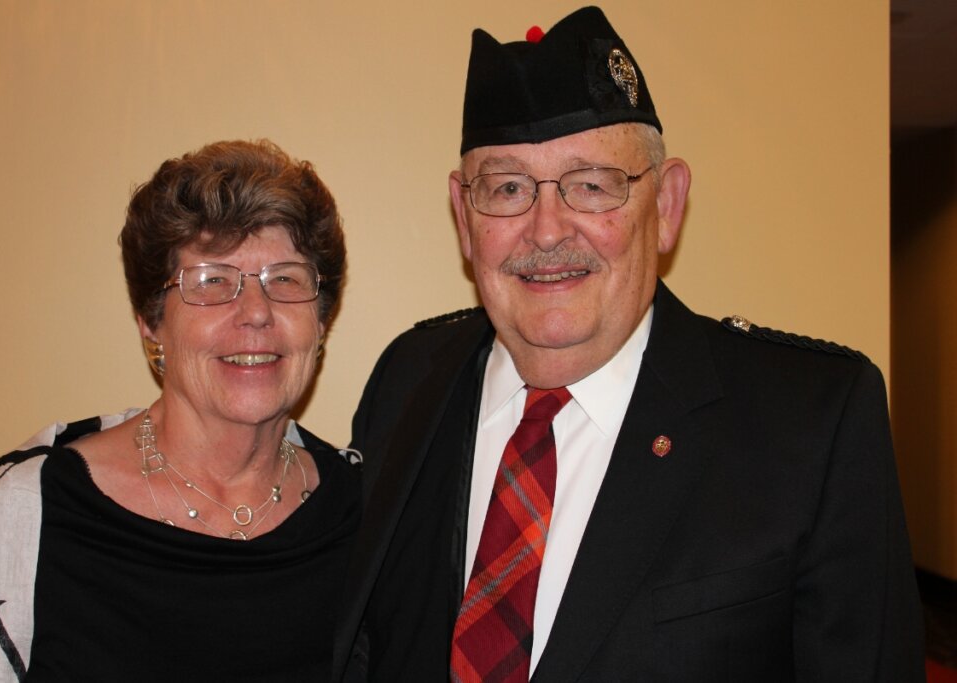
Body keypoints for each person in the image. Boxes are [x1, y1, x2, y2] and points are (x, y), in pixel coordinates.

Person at [336, 7, 924, 682]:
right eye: (506, 188)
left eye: (592, 184)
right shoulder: (408, 381)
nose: (548, 230)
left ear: (667, 205)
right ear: (464, 219)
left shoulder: (811, 423)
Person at [0, 139, 359, 681]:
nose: (255, 312)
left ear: (320, 321)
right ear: (151, 322)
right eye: (211, 281)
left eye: (285, 278)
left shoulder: (365, 514)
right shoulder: (29, 507)